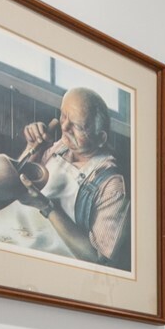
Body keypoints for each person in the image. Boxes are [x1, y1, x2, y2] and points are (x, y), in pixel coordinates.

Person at [18, 87, 130, 270]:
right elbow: (22, 177)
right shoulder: (61, 146)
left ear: (100, 138)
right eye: (63, 116)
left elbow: (99, 260)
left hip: (53, 256)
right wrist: (33, 147)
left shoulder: (112, 185)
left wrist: (47, 207)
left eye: (77, 126)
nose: (64, 127)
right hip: (20, 227)